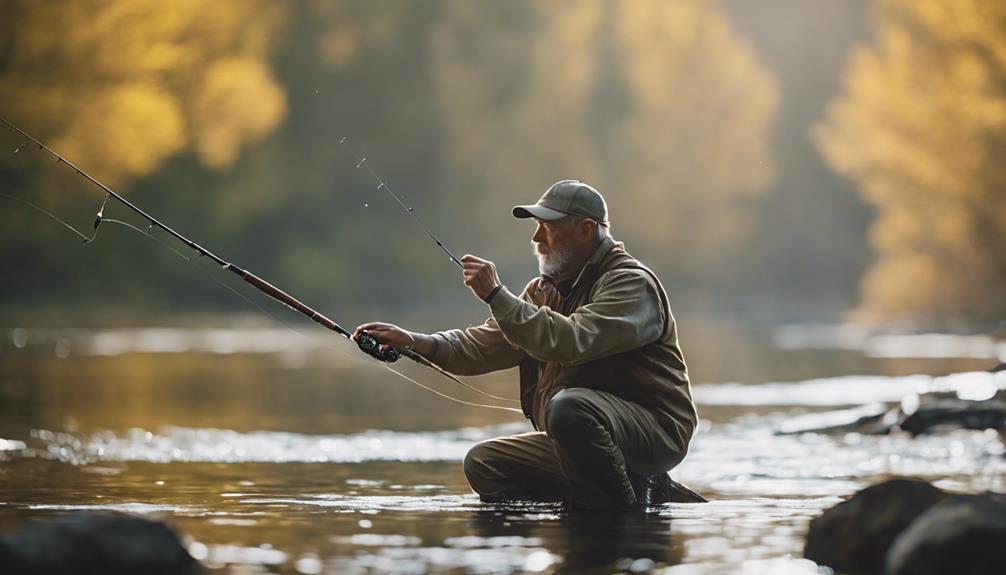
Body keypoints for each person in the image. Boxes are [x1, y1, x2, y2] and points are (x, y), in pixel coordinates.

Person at [354, 180, 702, 509]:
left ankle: (617, 513)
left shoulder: (630, 284)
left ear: (585, 230)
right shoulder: (544, 290)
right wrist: (413, 342)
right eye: (535, 226)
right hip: (583, 428)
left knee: (569, 407)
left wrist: (495, 294)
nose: (537, 237)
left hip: (655, 433)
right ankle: (625, 493)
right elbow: (484, 345)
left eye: (547, 226)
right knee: (485, 464)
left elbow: (570, 341)